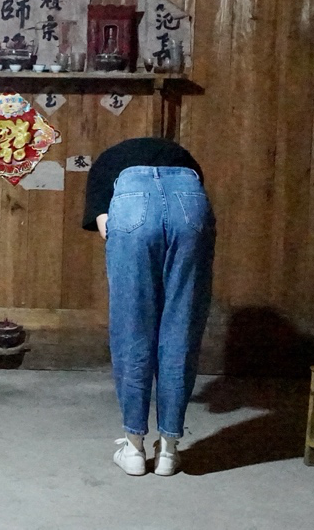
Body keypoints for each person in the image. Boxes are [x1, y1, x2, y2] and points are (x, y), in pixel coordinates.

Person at [82, 137, 215, 476]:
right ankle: (169, 450)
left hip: (132, 200)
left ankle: (134, 448)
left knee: (132, 328)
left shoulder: (105, 165)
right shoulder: (184, 159)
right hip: (189, 199)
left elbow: (105, 228)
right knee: (181, 327)